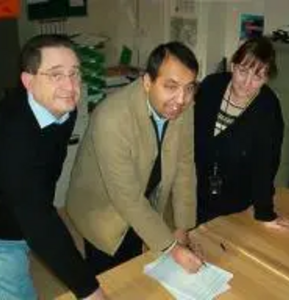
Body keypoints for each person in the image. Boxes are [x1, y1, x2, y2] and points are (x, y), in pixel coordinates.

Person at [0, 34, 106, 300]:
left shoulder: (64, 109)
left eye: (75, 73)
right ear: (28, 81)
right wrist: (89, 290)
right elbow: (38, 218)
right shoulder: (12, 135)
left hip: (15, 215)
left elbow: (43, 175)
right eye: (55, 74)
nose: (69, 85)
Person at [66, 41, 203, 275]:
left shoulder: (184, 106)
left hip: (144, 197)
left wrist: (182, 227)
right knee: (110, 277)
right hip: (103, 209)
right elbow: (126, 198)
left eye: (189, 88)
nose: (181, 100)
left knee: (137, 267)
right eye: (171, 86)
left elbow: (184, 168)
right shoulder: (111, 118)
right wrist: (172, 248)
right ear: (147, 82)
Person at [194, 36, 289, 231]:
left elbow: (265, 163)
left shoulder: (267, 107)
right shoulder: (211, 86)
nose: (247, 83)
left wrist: (264, 212)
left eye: (258, 77)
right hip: (194, 192)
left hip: (235, 203)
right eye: (243, 71)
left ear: (266, 78)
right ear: (233, 65)